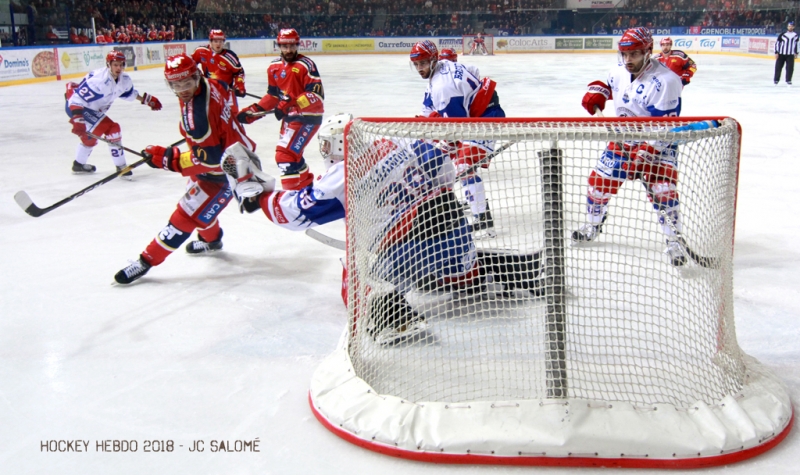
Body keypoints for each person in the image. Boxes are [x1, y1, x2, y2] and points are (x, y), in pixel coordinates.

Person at [221, 114, 543, 345]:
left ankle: (391, 316)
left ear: (334, 148)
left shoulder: (344, 176)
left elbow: (292, 214)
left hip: (409, 251)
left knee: (356, 270)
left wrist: (258, 195)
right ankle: (490, 270)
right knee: (443, 250)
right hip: (459, 236)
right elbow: (446, 172)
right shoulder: (402, 141)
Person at [113, 54, 257, 285]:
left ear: (196, 76)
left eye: (187, 83)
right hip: (233, 157)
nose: (182, 89)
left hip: (226, 172)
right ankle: (213, 241)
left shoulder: (198, 115)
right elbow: (223, 91)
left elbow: (211, 159)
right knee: (202, 209)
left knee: (187, 214)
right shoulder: (210, 83)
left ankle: (145, 261)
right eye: (176, 84)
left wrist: (166, 159)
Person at [575, 27, 687, 266]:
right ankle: (593, 225)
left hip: (658, 143)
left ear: (648, 52)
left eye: (634, 54)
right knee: (598, 184)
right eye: (624, 55)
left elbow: (665, 128)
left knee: (663, 190)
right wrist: (598, 93)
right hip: (622, 139)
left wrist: (646, 154)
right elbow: (609, 85)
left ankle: (674, 241)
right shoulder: (618, 71)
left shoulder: (666, 81)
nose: (628, 60)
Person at [411, 40, 505, 237]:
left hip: (486, 118)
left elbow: (457, 128)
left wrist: (448, 146)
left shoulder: (442, 88)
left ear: (434, 60)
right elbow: (474, 70)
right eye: (417, 64)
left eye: (423, 63)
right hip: (472, 117)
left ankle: (484, 222)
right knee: (436, 155)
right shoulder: (444, 66)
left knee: (463, 164)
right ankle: (448, 207)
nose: (420, 68)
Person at [237, 28, 324, 190]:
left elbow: (316, 96)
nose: (289, 50)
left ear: (298, 45)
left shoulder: (306, 65)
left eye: (292, 46)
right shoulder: (274, 67)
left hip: (307, 117)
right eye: (285, 46)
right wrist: (254, 111)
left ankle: (290, 202)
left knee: (284, 155)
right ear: (279, 46)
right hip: (288, 118)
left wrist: (292, 103)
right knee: (294, 157)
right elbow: (273, 96)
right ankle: (306, 190)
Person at [65, 50, 162, 177]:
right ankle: (121, 166)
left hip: (92, 110)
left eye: (121, 64)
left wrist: (146, 100)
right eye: (115, 64)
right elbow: (76, 99)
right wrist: (78, 120)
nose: (118, 68)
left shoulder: (124, 79)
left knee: (90, 138)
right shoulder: (99, 81)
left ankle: (78, 164)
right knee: (112, 128)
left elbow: (127, 93)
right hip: (78, 108)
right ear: (108, 64)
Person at [191, 29, 246, 99]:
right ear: (210, 41)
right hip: (209, 92)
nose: (218, 44)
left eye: (220, 41)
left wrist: (239, 85)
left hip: (226, 93)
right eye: (215, 41)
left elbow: (239, 72)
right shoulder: (201, 51)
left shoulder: (230, 57)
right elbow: (190, 64)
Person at [774, 21, 798, 86]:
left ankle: (788, 80)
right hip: (781, 54)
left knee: (790, 68)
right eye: (789, 26)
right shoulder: (782, 35)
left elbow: (796, 44)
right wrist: (776, 52)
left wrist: (796, 52)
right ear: (787, 27)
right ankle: (776, 80)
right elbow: (777, 43)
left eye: (792, 26)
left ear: (793, 27)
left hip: (790, 54)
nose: (790, 27)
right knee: (778, 67)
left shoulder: (795, 35)